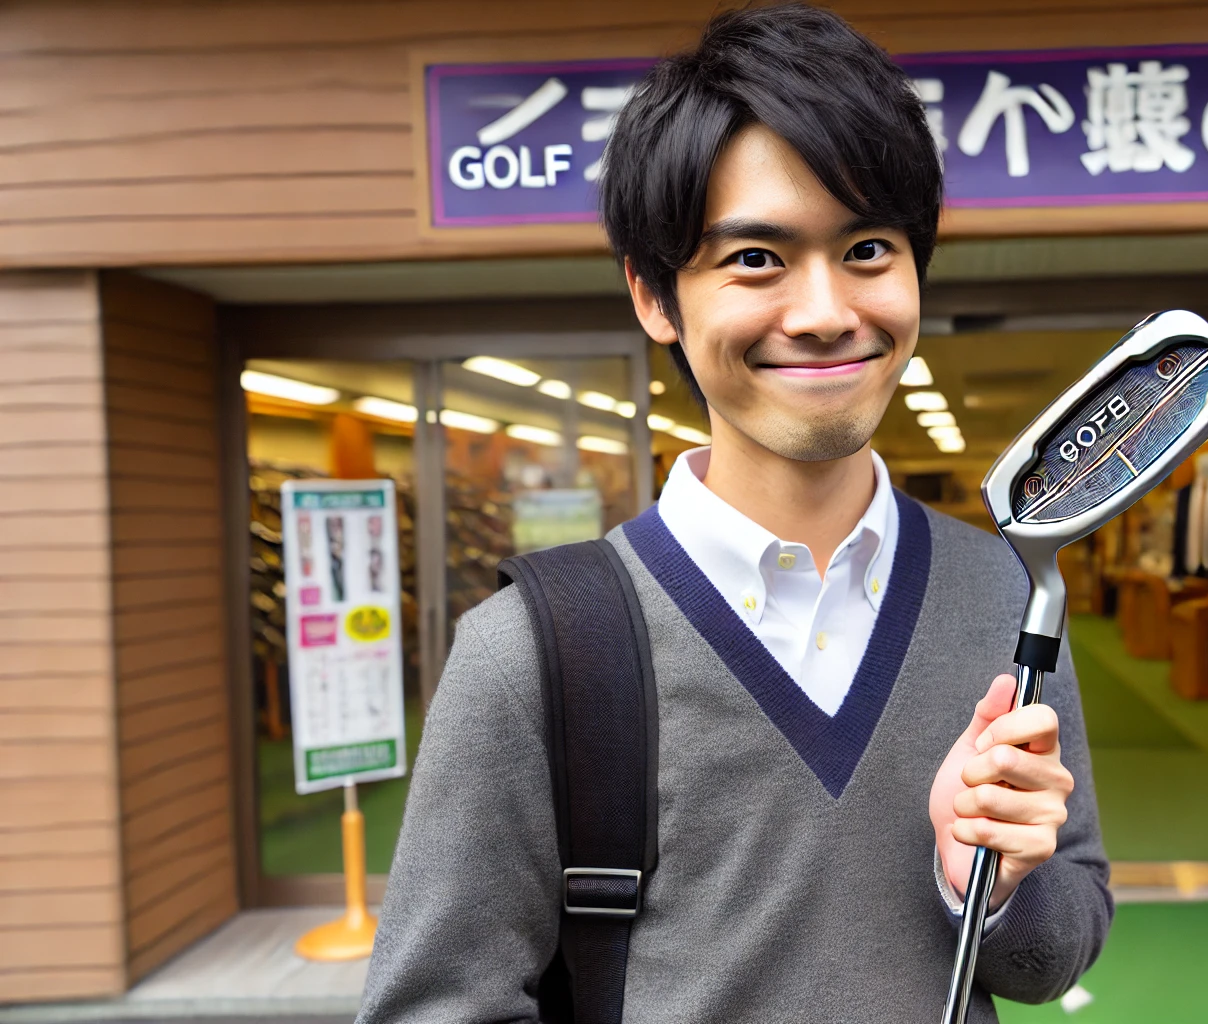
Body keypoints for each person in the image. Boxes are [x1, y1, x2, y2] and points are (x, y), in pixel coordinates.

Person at [357, 5, 1111, 1021]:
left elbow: (1051, 958)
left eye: (869, 249)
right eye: (756, 258)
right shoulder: (532, 652)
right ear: (655, 296)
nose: (825, 311)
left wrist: (995, 880)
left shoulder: (1001, 596)